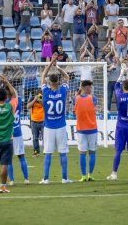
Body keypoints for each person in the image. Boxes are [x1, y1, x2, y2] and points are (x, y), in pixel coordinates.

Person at [39, 56, 73, 184]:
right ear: (58, 82)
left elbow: (43, 76)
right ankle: (64, 178)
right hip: (61, 126)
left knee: (48, 153)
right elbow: (67, 77)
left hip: (48, 127)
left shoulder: (46, 92)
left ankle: (46, 179)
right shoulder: (63, 91)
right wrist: (58, 67)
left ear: (49, 83)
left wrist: (51, 64)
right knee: (62, 153)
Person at [73, 80, 98, 182]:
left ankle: (83, 176)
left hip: (81, 130)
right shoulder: (93, 98)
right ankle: (90, 175)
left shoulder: (76, 99)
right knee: (92, 152)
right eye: (89, 88)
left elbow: (77, 98)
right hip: (92, 129)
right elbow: (93, 102)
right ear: (86, 88)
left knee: (82, 152)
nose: (91, 90)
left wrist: (80, 90)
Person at [6, 91, 29, 186]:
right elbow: (15, 93)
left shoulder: (4, 104)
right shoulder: (18, 101)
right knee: (21, 156)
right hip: (18, 133)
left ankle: (11, 180)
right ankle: (26, 179)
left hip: (7, 134)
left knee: (8, 159)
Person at [27, 89, 44, 156]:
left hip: (43, 121)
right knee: (35, 138)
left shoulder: (44, 98)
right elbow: (28, 106)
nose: (40, 96)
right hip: (34, 121)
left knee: (45, 138)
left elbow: (47, 107)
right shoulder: (32, 98)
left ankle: (46, 151)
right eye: (39, 95)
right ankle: (36, 152)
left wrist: (41, 101)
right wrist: (35, 100)